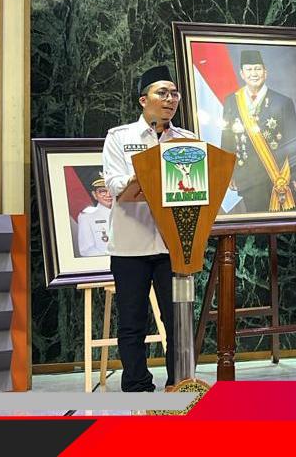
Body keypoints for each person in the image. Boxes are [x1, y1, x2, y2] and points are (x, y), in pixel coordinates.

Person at [102, 65, 196, 392]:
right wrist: (143, 175)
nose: (170, 99)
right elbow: (115, 184)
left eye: (174, 94)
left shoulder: (187, 141)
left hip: (173, 245)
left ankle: (179, 384)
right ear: (144, 100)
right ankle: (137, 385)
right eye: (162, 93)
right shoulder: (120, 137)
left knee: (178, 321)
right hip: (131, 245)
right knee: (132, 322)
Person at [221, 50, 296, 213]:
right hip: (248, 177)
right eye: (249, 69)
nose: (254, 73)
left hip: (280, 177)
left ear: (265, 72)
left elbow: (294, 140)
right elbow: (227, 139)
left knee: (285, 225)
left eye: (258, 69)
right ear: (242, 73)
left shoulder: (283, 102)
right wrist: (229, 174)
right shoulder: (231, 101)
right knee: (256, 224)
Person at [76, 172, 112, 257]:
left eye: (112, 190)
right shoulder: (86, 217)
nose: (108, 195)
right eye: (102, 191)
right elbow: (87, 250)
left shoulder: (127, 214)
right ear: (94, 195)